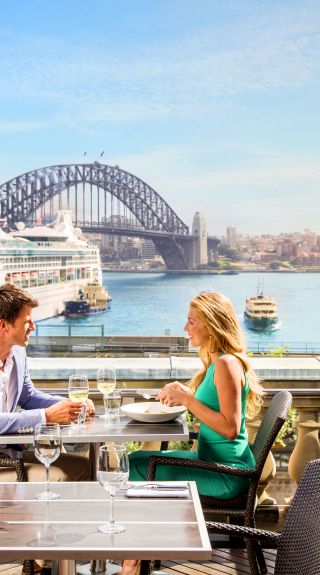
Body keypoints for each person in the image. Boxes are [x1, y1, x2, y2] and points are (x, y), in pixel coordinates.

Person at [122, 291, 264, 575]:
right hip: (216, 463)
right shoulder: (218, 361)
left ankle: (131, 564)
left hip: (226, 474)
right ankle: (138, 556)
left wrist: (187, 400)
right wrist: (186, 394)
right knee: (138, 459)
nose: (185, 328)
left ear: (211, 324)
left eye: (191, 322)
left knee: (136, 466)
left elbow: (230, 427)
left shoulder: (225, 364)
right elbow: (217, 414)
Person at [0, 283, 94, 481]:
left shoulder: (18, 352)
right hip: (5, 463)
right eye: (27, 322)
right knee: (64, 475)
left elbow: (28, 396)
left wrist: (71, 406)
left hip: (10, 455)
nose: (33, 327)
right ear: (3, 326)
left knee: (86, 466)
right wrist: (45, 417)